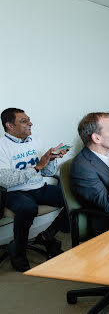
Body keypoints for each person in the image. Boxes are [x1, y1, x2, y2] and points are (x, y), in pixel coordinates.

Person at [0, 108, 70, 272]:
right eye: (24, 121)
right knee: (27, 208)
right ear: (9, 125)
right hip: (15, 192)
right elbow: (7, 181)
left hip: (39, 187)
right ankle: (18, 251)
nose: (30, 123)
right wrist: (37, 166)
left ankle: (48, 235)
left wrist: (50, 160)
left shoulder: (35, 140)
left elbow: (47, 172)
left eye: (29, 119)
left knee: (73, 197)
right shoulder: (2, 146)